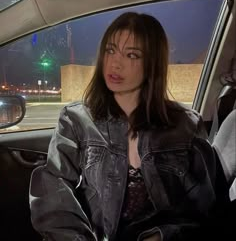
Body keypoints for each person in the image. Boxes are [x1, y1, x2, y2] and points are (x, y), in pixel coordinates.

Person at [29, 12, 230, 241]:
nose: (115, 62)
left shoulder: (186, 125)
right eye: (110, 50)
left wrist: (162, 236)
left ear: (151, 64)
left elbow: (206, 209)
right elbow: (53, 189)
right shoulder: (76, 119)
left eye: (131, 55)